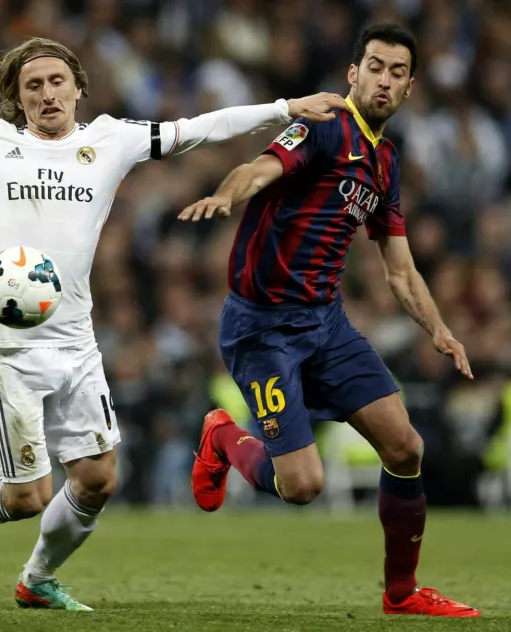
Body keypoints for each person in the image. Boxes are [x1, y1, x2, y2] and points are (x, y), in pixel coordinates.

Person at [0, 37, 347, 610]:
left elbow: (196, 128)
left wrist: (283, 109)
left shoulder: (110, 139)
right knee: (29, 496)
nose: (47, 93)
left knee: (97, 479)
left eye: (57, 81)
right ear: (16, 98)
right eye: (32, 86)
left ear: (78, 87)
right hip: (8, 346)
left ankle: (36, 579)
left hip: (75, 340)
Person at [180, 24, 479, 618]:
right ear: (353, 73)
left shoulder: (385, 163)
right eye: (375, 67)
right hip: (262, 330)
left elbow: (400, 269)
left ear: (409, 87)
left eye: (397, 72)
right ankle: (220, 435)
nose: (384, 80)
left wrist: (440, 330)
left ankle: (402, 594)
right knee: (303, 486)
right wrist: (228, 194)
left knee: (405, 448)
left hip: (327, 325)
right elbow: (259, 168)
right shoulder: (323, 126)